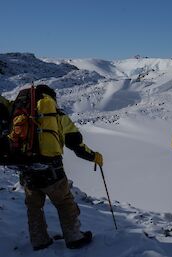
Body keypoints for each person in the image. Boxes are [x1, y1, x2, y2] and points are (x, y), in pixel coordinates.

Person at [9, 85, 103, 250]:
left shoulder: (19, 114)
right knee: (65, 203)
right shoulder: (57, 115)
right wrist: (94, 156)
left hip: (27, 170)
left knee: (34, 207)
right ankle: (74, 237)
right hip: (52, 170)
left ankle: (39, 241)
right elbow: (76, 144)